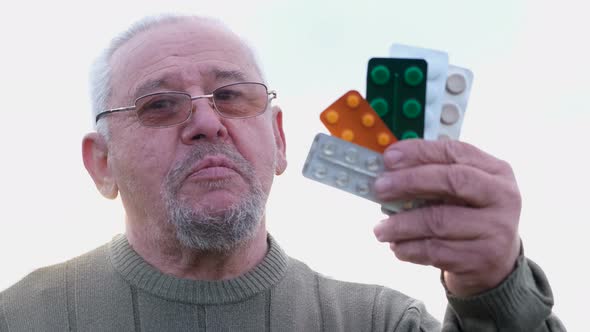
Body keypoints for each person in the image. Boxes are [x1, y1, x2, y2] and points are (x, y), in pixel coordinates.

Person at [0, 14, 565, 331]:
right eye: (159, 106)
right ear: (102, 164)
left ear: (278, 141)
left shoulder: (380, 324)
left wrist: (494, 290)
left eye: (231, 96)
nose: (206, 122)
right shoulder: (20, 318)